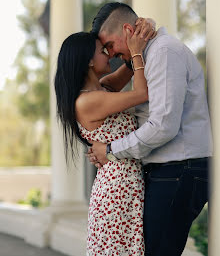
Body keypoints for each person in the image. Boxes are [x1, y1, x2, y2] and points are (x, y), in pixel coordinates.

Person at [87, 2, 213, 256]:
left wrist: (111, 150)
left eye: (110, 45)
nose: (109, 54)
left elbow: (163, 126)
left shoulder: (163, 52)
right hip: (168, 170)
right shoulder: (146, 57)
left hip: (179, 168)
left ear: (127, 30)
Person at [54, 18, 156, 255]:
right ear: (89, 60)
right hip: (117, 190)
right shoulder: (89, 100)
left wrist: (142, 30)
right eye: (103, 51)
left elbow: (130, 67)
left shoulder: (101, 89)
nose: (109, 54)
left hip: (124, 184)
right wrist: (137, 51)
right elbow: (142, 92)